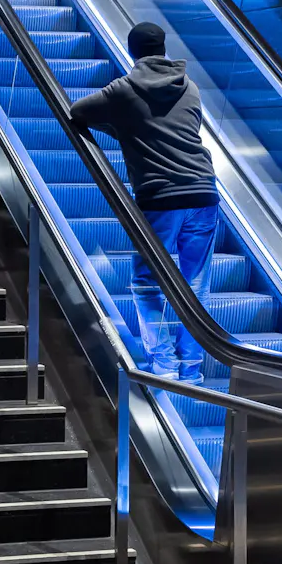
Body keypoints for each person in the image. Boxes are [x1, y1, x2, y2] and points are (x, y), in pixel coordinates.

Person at [68, 22, 216, 382]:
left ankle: (164, 366)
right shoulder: (190, 87)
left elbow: (78, 111)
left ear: (133, 51)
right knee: (195, 283)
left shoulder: (123, 90)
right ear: (164, 48)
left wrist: (122, 129)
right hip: (203, 191)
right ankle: (192, 369)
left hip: (160, 197)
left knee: (147, 282)